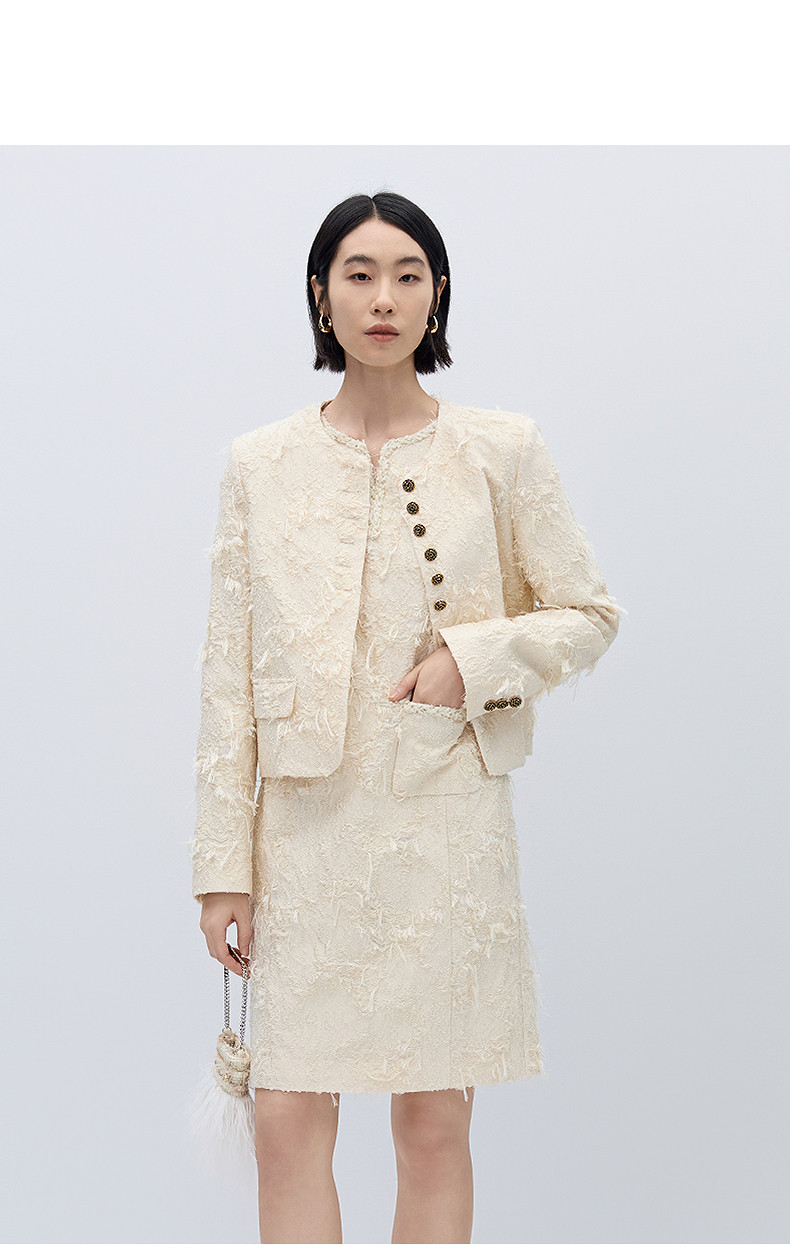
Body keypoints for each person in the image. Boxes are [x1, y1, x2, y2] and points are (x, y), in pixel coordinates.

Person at [189, 190, 624, 1243]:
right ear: (321, 296)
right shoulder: (259, 464)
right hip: (302, 835)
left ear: (437, 297)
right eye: (359, 273)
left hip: (443, 825)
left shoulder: (501, 448)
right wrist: (221, 869)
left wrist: (470, 662)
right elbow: (227, 676)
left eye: (407, 274)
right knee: (287, 1119)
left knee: (433, 1124)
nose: (383, 297)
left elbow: (587, 613)